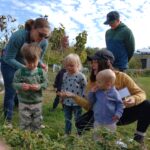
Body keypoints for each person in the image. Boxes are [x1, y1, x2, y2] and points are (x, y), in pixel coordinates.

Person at [59, 50, 150, 147]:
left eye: (95, 62)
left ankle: (138, 138)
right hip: (101, 113)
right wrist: (74, 96)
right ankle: (85, 142)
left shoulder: (122, 77)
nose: (92, 65)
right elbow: (89, 105)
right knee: (80, 123)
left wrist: (134, 99)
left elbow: (141, 93)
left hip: (119, 114)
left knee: (147, 105)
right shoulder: (93, 81)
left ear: (107, 63)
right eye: (92, 62)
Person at [1, 18, 50, 127]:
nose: (43, 39)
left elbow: (38, 58)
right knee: (11, 90)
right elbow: (8, 58)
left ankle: (32, 117)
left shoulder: (44, 43)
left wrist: (41, 64)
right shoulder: (18, 36)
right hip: (8, 64)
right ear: (33, 29)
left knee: (28, 90)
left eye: (46, 36)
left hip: (26, 65)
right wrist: (25, 69)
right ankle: (7, 121)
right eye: (41, 35)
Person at [12, 43, 48, 131]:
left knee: (37, 121)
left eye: (34, 62)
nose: (31, 65)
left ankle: (35, 136)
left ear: (39, 59)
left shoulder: (41, 72)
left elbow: (46, 84)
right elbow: (14, 83)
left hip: (37, 102)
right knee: (24, 122)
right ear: (24, 60)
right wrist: (21, 86)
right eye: (29, 62)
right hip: (24, 102)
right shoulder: (20, 72)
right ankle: (25, 136)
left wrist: (39, 86)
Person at [88, 69, 123, 139]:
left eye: (99, 82)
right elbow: (91, 100)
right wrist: (92, 92)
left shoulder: (114, 93)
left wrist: (118, 114)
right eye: (96, 81)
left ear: (108, 84)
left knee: (109, 137)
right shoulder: (98, 91)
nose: (96, 83)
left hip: (110, 120)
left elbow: (120, 104)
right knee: (97, 136)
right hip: (98, 119)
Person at [59, 53, 87, 135]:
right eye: (67, 66)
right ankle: (67, 133)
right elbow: (63, 85)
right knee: (67, 118)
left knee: (78, 119)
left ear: (78, 65)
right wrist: (61, 97)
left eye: (71, 66)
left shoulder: (81, 76)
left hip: (77, 102)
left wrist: (83, 99)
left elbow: (85, 88)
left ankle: (79, 134)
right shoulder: (65, 75)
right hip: (66, 102)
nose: (69, 68)